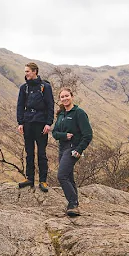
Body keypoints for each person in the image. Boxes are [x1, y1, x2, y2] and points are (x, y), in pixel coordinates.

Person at [51, 87, 92, 216]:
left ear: (72, 96)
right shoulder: (61, 114)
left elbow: (88, 134)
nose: (64, 98)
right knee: (68, 176)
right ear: (60, 99)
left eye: (66, 96)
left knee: (61, 176)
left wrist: (79, 149)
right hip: (62, 148)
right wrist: (64, 136)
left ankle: (73, 204)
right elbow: (54, 133)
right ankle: (75, 203)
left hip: (73, 148)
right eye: (62, 97)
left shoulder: (79, 113)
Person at [16, 62, 55, 192]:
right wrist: (20, 122)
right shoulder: (24, 88)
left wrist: (49, 123)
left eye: (27, 71)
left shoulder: (45, 87)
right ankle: (30, 178)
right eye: (25, 71)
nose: (25, 73)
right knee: (29, 152)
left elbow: (50, 105)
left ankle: (43, 180)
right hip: (27, 123)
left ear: (35, 71)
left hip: (41, 123)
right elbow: (20, 106)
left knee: (42, 153)